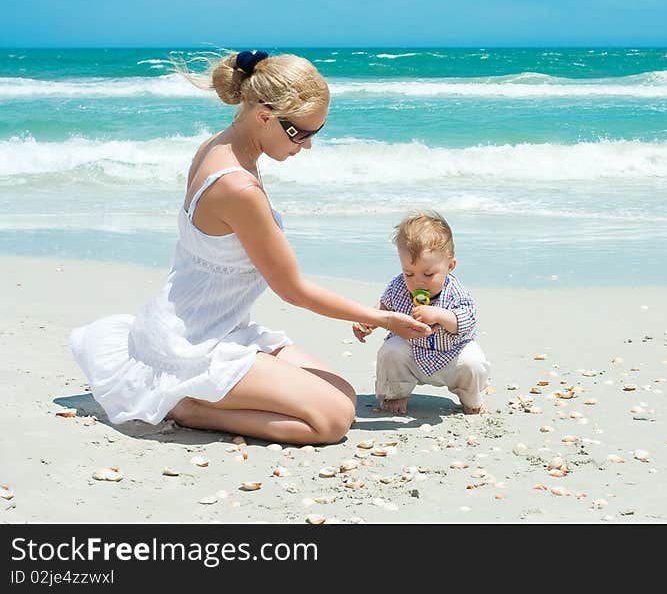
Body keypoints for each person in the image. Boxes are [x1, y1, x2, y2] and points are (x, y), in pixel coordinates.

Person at [69, 50, 432, 445]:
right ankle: (185, 405)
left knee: (341, 394)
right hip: (190, 344)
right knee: (332, 421)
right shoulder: (239, 188)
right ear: (264, 116)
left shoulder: (220, 146)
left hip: (216, 325)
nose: (308, 146)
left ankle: (196, 396)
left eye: (317, 131)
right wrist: (383, 319)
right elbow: (293, 290)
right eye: (303, 133)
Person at [352, 210, 490, 414]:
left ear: (450, 266)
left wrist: (440, 315)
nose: (418, 281)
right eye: (409, 273)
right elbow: (383, 308)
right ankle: (395, 394)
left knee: (473, 361)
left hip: (452, 354)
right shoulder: (398, 286)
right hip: (411, 353)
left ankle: (471, 399)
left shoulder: (455, 292)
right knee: (390, 351)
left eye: (428, 274)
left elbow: (466, 322)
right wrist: (367, 323)